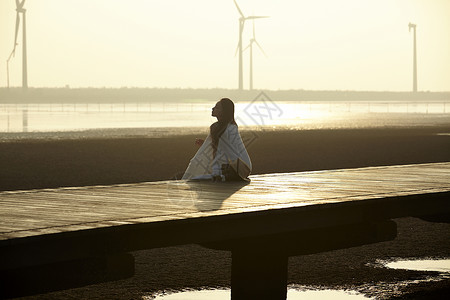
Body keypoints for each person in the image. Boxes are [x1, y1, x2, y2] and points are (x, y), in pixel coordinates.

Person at [182, 98, 252, 181]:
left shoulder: (231, 128)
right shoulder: (215, 127)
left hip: (241, 166)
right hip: (227, 165)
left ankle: (222, 174)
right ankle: (221, 173)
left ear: (224, 112)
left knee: (200, 175)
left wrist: (217, 170)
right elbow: (219, 148)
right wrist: (206, 144)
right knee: (196, 170)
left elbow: (230, 150)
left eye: (217, 107)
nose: (213, 108)